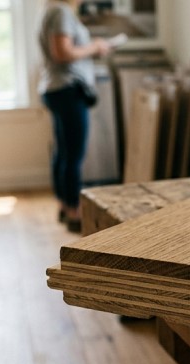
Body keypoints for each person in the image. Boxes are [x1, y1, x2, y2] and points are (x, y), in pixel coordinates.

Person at [38, 0, 111, 232]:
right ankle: (74, 212)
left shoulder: (53, 10)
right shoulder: (61, 11)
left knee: (64, 151)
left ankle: (63, 204)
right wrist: (95, 47)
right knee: (74, 154)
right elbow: (62, 52)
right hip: (68, 89)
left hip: (57, 88)